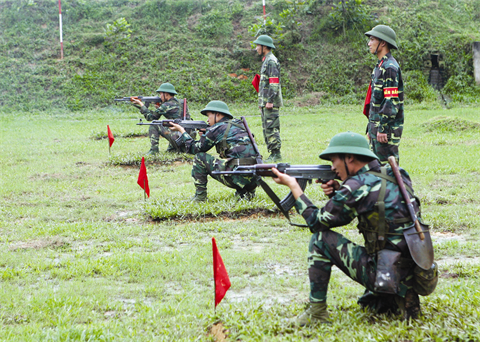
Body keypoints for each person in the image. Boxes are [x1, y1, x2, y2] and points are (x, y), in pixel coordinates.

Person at [271, 132, 436, 326]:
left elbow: (317, 222)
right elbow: (375, 204)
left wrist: (294, 187)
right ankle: (394, 297)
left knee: (320, 240)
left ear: (349, 158)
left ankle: (317, 313)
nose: (332, 167)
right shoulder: (396, 174)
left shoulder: (356, 186)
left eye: (334, 160)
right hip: (413, 272)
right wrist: (341, 190)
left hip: (386, 271)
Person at [170, 100, 258, 202]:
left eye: (209, 116)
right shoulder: (239, 124)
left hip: (236, 177)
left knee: (200, 157)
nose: (207, 120)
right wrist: (205, 135)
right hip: (255, 178)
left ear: (218, 114)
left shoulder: (216, 129)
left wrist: (182, 131)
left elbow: (194, 149)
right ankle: (247, 193)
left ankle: (200, 197)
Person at [364, 25, 404, 165]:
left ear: (383, 42)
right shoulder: (380, 66)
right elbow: (376, 101)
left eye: (372, 39)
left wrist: (382, 129)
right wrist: (371, 128)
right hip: (377, 128)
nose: (369, 43)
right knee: (376, 171)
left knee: (388, 172)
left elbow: (391, 101)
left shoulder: (390, 67)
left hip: (386, 131)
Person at [131, 82, 184, 154]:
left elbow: (150, 118)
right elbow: (175, 116)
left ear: (166, 94)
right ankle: (173, 148)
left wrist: (141, 104)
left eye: (161, 94)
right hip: (187, 138)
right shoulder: (181, 102)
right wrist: (159, 108)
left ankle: (154, 150)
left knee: (154, 125)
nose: (160, 96)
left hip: (178, 137)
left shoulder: (166, 105)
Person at [253, 35, 283, 162]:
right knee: (267, 128)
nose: (256, 48)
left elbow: (274, 82)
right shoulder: (266, 60)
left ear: (265, 46)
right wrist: (262, 102)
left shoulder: (271, 61)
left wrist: (270, 100)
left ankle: (276, 154)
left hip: (270, 102)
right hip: (265, 102)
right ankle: (272, 152)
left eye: (258, 45)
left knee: (272, 127)